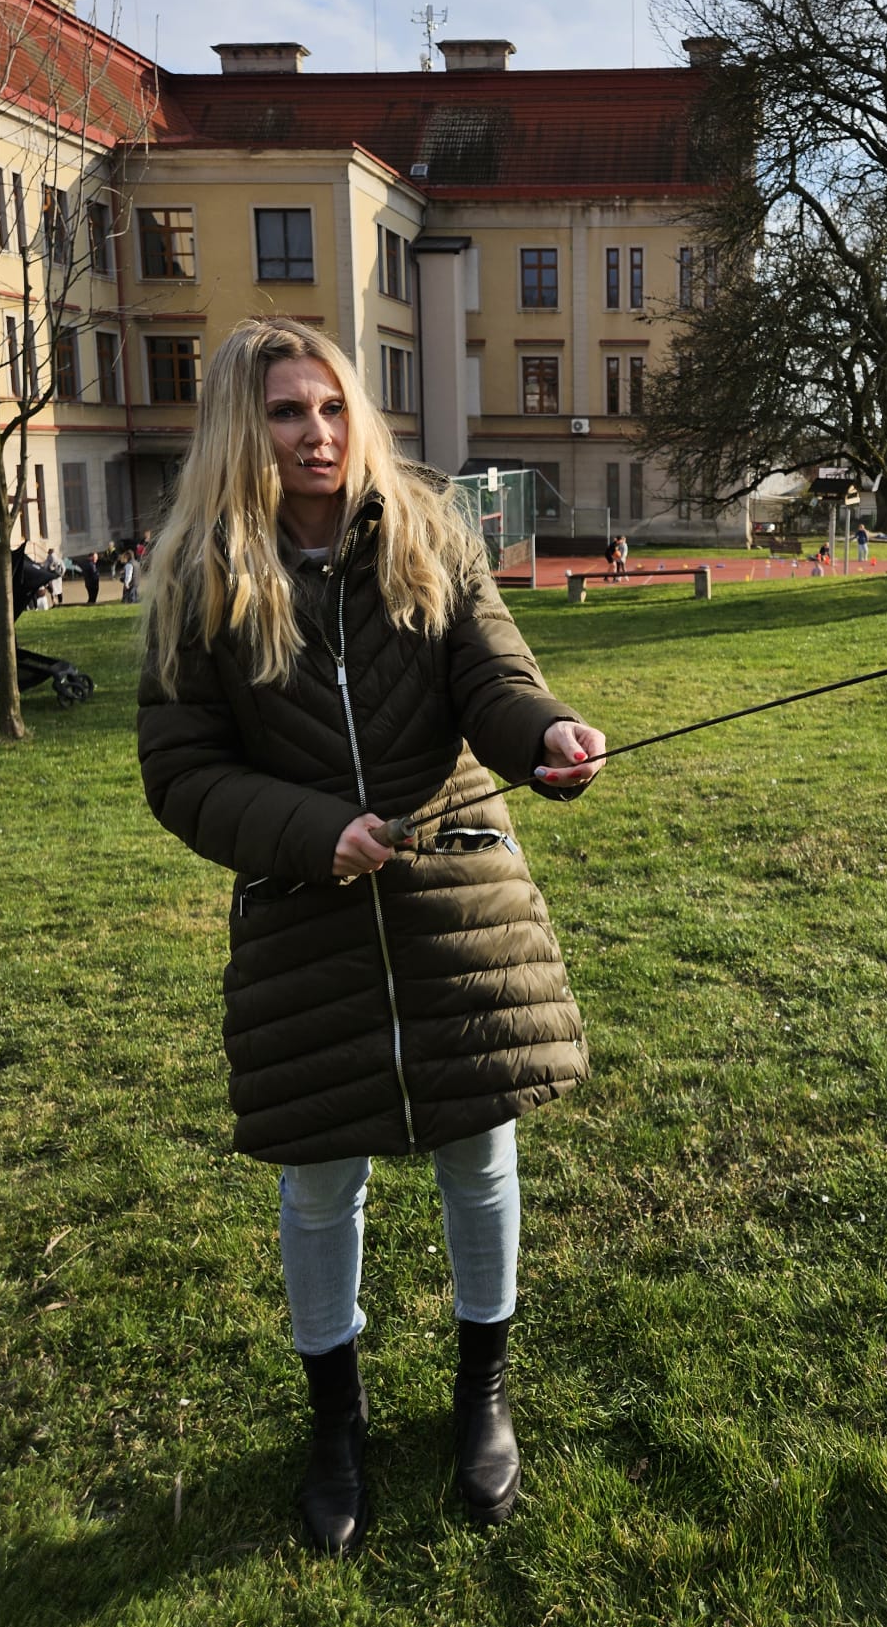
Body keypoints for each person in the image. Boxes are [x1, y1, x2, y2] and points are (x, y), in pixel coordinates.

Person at [137, 316, 605, 1558]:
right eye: (288, 411)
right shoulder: (199, 581)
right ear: (242, 429)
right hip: (307, 928)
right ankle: (334, 1424)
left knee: (480, 1156)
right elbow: (181, 772)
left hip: (458, 909)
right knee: (319, 1185)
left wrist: (546, 735)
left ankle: (481, 1393)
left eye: (333, 406)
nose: (318, 432)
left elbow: (494, 679)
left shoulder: (431, 535)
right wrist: (313, 832)